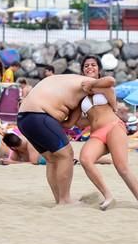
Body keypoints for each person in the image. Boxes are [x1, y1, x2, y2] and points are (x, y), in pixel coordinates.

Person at [18, 73, 114, 205]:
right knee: (66, 155)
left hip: (23, 118)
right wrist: (114, 108)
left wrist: (54, 127)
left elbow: (72, 124)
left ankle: (60, 200)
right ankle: (65, 199)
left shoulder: (72, 86)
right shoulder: (88, 83)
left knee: (52, 159)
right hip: (39, 114)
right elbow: (110, 81)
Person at [77, 55, 138, 210]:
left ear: (98, 69)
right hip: (96, 134)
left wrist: (91, 84)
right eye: (86, 66)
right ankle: (108, 196)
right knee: (85, 159)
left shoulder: (104, 86)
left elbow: (111, 81)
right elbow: (79, 122)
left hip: (113, 127)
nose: (89, 68)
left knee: (122, 168)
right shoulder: (80, 94)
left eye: (93, 65)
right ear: (82, 70)